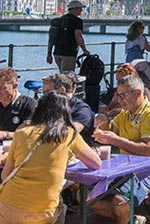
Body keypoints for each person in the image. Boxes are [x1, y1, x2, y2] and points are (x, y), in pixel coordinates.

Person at [0, 92, 101, 224]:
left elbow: (5, 175)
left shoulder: (21, 133)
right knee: (60, 206)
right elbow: (96, 163)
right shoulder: (68, 134)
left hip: (8, 205)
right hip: (43, 210)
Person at [92, 75, 150, 224]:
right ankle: (131, 219)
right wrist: (103, 121)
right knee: (86, 197)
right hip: (124, 167)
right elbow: (112, 129)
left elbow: (147, 150)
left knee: (119, 202)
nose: (118, 100)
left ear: (138, 93)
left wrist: (115, 140)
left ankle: (125, 217)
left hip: (149, 169)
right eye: (117, 95)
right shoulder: (126, 113)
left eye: (122, 95)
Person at [46, 0, 90, 72]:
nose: (81, 11)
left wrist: (49, 53)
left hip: (57, 53)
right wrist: (84, 50)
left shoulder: (59, 20)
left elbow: (51, 38)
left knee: (63, 74)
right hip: (69, 53)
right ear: (74, 9)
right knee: (67, 77)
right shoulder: (77, 21)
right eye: (80, 8)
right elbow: (78, 37)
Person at [52, 72, 95, 145]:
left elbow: (71, 134)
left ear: (62, 90)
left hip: (79, 150)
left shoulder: (82, 109)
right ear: (74, 87)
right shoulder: (52, 106)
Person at [0, 68, 37, 141]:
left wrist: (5, 134)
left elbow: (30, 134)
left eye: (3, 88)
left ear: (14, 86)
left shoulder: (28, 104)